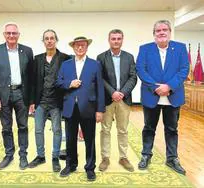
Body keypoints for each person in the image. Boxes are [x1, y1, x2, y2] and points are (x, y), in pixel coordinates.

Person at [136, 20, 189, 175]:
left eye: (165, 29)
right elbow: (141, 69)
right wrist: (156, 87)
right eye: (158, 30)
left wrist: (169, 86)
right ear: (154, 34)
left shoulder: (180, 48)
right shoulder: (145, 49)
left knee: (172, 129)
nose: (161, 32)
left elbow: (184, 70)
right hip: (151, 95)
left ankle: (172, 158)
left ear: (169, 32)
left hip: (173, 96)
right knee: (148, 128)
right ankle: (146, 155)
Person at [56, 36, 105, 181]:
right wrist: (69, 84)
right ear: (73, 47)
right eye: (77, 45)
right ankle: (70, 165)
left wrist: (100, 110)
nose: (80, 48)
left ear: (87, 47)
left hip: (89, 107)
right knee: (70, 139)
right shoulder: (65, 65)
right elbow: (58, 82)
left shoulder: (95, 64)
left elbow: (100, 88)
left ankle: (90, 168)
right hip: (70, 107)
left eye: (83, 45)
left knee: (89, 139)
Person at [0, 22, 34, 170]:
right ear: (4, 35)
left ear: (18, 35)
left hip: (22, 94)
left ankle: (23, 155)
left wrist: (32, 100)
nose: (11, 36)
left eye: (14, 33)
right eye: (8, 33)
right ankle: (9, 154)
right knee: (6, 127)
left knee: (23, 126)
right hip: (3, 95)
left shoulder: (27, 51)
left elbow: (30, 77)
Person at [28, 29, 70, 172]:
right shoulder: (37, 59)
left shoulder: (65, 58)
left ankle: (55, 157)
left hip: (56, 102)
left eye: (52, 38)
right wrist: (32, 101)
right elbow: (33, 82)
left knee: (57, 130)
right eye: (47, 38)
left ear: (56, 40)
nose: (49, 41)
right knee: (38, 130)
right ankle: (40, 156)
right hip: (41, 101)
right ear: (43, 41)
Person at [97, 29, 137, 172]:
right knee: (105, 129)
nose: (116, 41)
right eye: (113, 38)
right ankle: (105, 157)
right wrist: (112, 92)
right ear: (109, 40)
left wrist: (122, 93)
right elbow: (99, 78)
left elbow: (133, 77)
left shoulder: (129, 57)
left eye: (118, 38)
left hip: (124, 100)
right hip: (107, 99)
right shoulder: (101, 57)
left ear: (122, 40)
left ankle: (123, 157)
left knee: (123, 130)